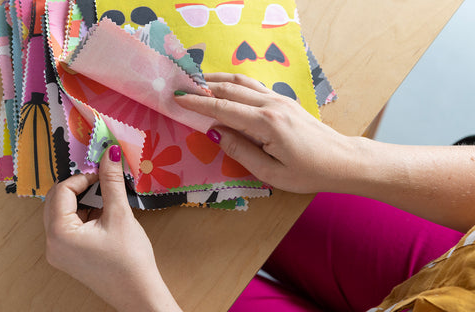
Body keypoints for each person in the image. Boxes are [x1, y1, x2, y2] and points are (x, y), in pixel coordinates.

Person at [44, 73, 475, 311]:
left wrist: (138, 296)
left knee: (176, 260)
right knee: (249, 175)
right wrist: (348, 155)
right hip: (457, 264)